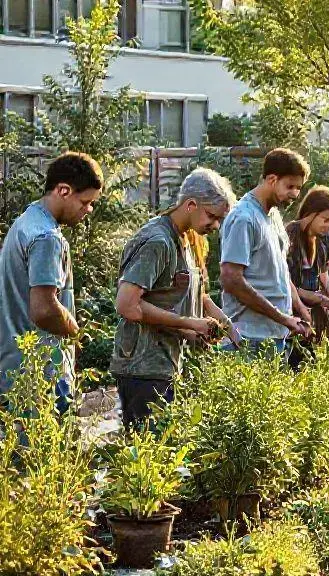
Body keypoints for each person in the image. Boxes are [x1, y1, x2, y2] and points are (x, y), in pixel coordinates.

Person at [110, 168, 237, 429]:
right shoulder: (157, 241)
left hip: (165, 363)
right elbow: (127, 305)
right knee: (147, 456)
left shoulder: (188, 240)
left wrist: (220, 325)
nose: (215, 226)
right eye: (212, 216)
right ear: (191, 204)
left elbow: (189, 296)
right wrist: (190, 324)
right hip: (143, 368)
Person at [0, 152, 103, 412]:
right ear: (64, 190)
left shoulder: (25, 223)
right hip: (42, 373)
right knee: (42, 450)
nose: (88, 210)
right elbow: (44, 310)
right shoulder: (47, 237)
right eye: (86, 201)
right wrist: (76, 332)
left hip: (14, 370)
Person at [220, 148, 313, 355]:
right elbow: (231, 279)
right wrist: (283, 317)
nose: (295, 195)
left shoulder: (274, 216)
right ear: (272, 179)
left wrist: (300, 309)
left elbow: (280, 272)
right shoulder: (244, 218)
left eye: (299, 188)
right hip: (248, 337)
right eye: (290, 186)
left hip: (276, 334)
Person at [286, 185, 329, 348]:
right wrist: (316, 297)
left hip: (316, 311)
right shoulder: (290, 235)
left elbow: (324, 275)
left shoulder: (324, 239)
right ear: (311, 214)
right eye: (326, 219)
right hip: (291, 312)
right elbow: (284, 281)